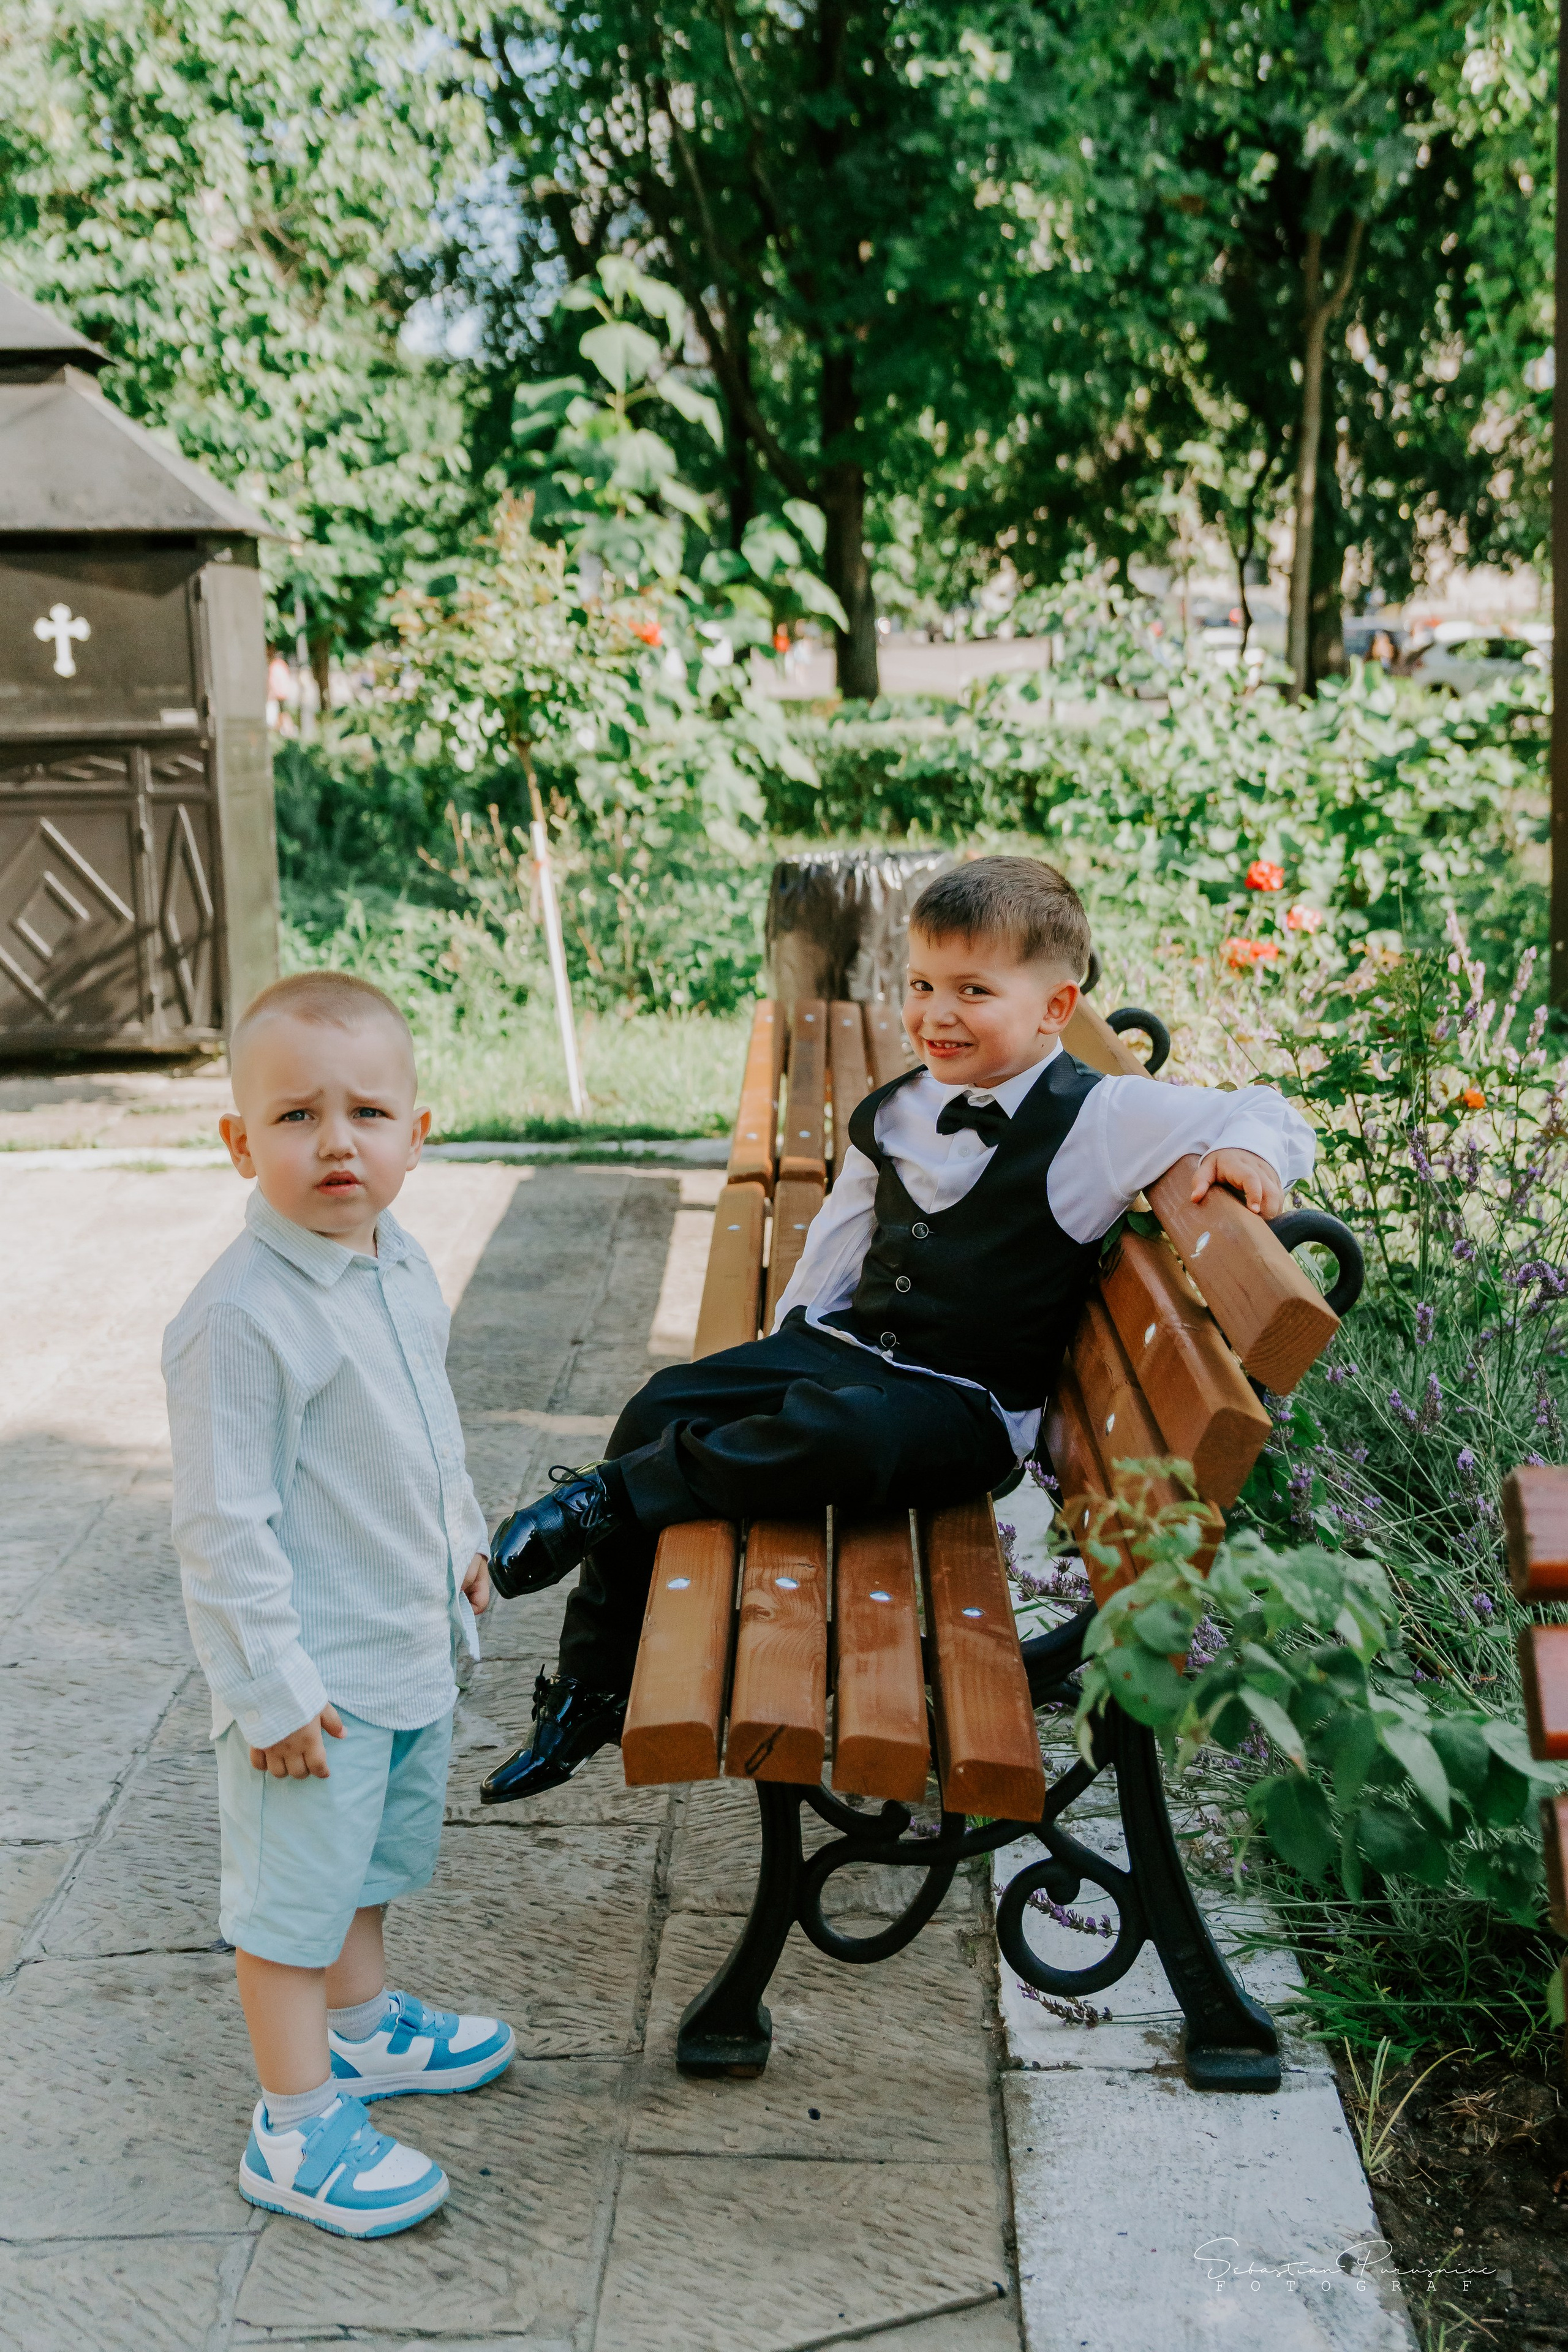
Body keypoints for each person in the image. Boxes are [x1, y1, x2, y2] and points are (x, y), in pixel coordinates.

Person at [479, 856, 1315, 1804]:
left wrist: (1246, 1149)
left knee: (848, 1435)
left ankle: (608, 1503)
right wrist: (787, 1351)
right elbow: (839, 1243)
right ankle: (593, 1679)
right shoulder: (906, 1105)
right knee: (664, 1400)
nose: (936, 1014)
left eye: (973, 991)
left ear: (1054, 1008)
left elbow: (1266, 1108)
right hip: (849, 1350)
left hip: (960, 1407)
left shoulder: (1103, 1119)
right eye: (921, 985)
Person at [163, 972, 513, 2240]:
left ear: (419, 1135)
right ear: (239, 1142)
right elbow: (221, 1522)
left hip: (403, 1638)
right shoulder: (241, 1321)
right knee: (292, 1906)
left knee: (367, 1866)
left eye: (367, 1111)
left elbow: (424, 1429)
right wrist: (268, 1689)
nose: (335, 1142)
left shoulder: (397, 1260)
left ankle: (361, 2033)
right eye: (296, 1116)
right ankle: (295, 2121)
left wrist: (458, 1542)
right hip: (309, 1682)